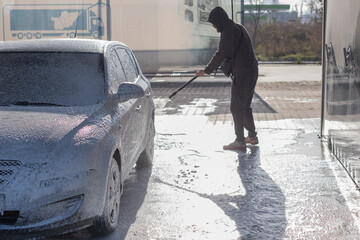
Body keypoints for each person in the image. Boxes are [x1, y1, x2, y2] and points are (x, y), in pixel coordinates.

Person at [196, 6, 259, 150]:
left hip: (243, 74)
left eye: (214, 22)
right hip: (251, 71)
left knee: (236, 107)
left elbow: (220, 54)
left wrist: (206, 70)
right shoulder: (238, 27)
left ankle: (240, 141)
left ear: (219, 20)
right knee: (244, 106)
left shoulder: (228, 32)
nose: (213, 26)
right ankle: (252, 136)